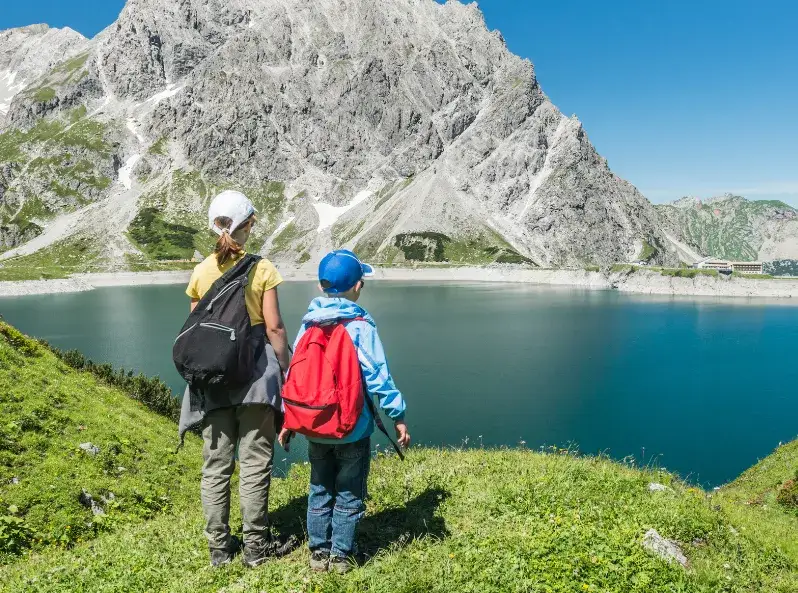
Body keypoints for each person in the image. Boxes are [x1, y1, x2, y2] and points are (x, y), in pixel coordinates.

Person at [178, 190, 291, 568]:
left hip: (213, 382)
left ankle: (219, 551)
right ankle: (256, 549)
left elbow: (198, 330)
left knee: (216, 465)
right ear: (245, 226)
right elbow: (274, 328)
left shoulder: (201, 271)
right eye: (252, 223)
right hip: (256, 377)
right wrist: (287, 369)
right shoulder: (262, 269)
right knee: (255, 462)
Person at [278, 250, 410, 574]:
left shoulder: (309, 323)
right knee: (350, 493)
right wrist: (398, 416)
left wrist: (288, 419)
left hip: (315, 425)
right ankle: (340, 557)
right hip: (353, 428)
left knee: (319, 489)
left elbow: (296, 377)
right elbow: (379, 376)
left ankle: (317, 554)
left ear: (323, 286)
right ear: (358, 285)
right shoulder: (361, 326)